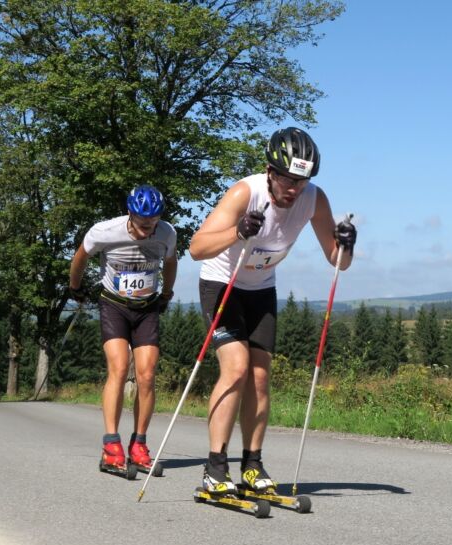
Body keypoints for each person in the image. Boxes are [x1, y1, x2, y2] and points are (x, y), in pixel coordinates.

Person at [188, 127, 356, 494]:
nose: (294, 188)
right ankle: (216, 467)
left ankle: (252, 464)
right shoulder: (244, 192)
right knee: (236, 368)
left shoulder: (314, 199)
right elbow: (197, 248)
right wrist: (237, 231)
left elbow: (336, 261)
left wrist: (347, 244)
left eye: (302, 180)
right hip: (223, 283)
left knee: (260, 377)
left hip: (261, 288)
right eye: (287, 179)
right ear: (270, 171)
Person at [68, 185, 178, 473]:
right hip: (114, 305)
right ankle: (111, 443)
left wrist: (167, 293)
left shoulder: (167, 233)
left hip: (147, 307)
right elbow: (81, 255)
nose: (148, 228)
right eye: (143, 223)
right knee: (118, 367)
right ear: (130, 213)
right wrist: (75, 287)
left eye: (153, 222)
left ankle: (139, 443)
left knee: (147, 374)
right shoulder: (105, 231)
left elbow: (170, 261)